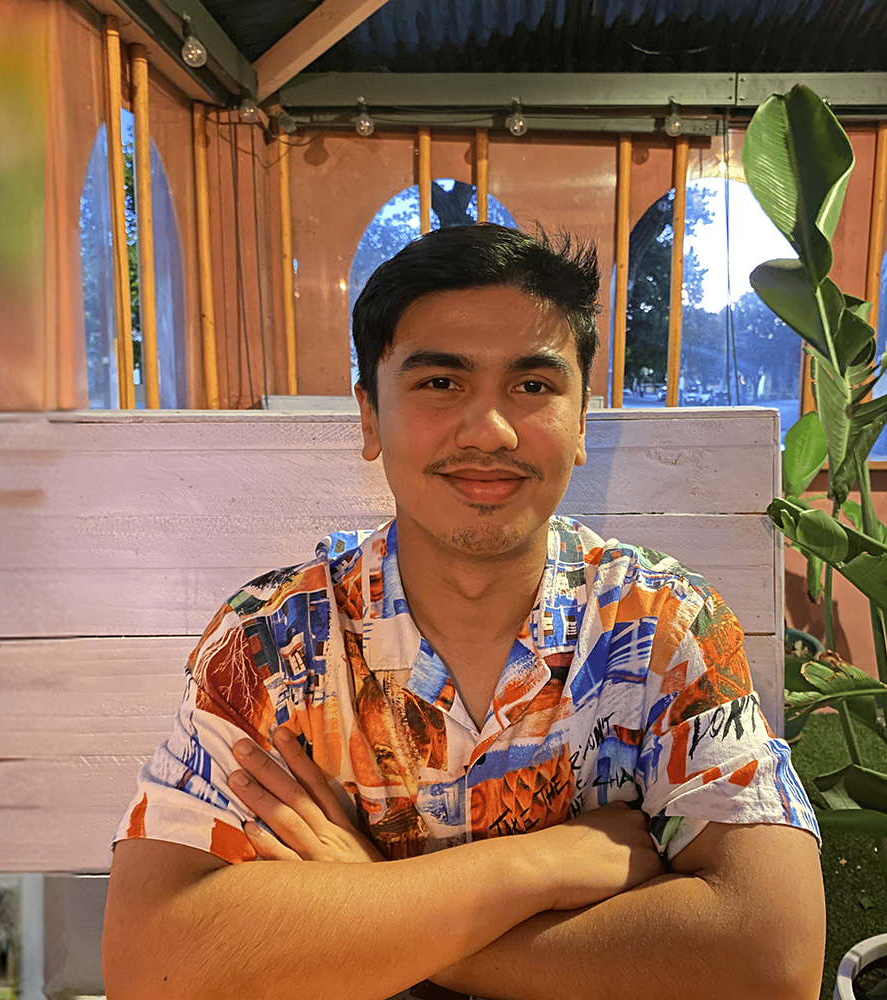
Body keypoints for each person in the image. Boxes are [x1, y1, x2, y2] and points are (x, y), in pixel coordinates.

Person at [102, 224, 825, 1000]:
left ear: (583, 421)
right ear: (370, 417)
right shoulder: (273, 641)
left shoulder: (661, 626)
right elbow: (151, 963)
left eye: (534, 386)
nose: (490, 431)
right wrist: (539, 864)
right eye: (441, 383)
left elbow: (771, 959)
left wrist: (370, 905)